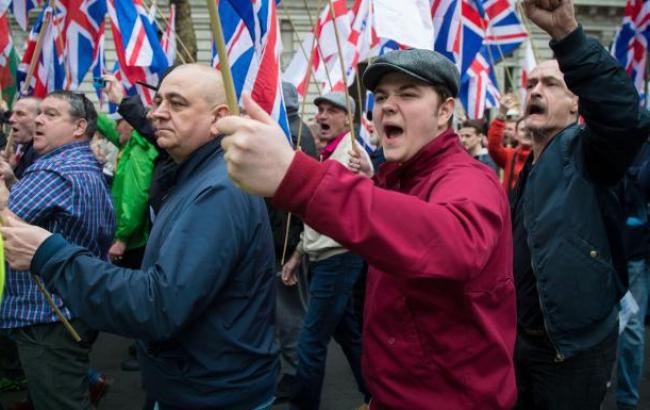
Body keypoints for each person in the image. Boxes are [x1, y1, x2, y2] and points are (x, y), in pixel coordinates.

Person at [217, 42, 516, 409]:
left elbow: (455, 242)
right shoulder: (400, 178)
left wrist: (296, 177)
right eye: (381, 96)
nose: (387, 105)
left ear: (445, 112)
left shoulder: (470, 179)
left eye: (408, 94)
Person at [0, 64, 279, 410]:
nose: (157, 112)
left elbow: (157, 305)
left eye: (176, 103)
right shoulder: (195, 174)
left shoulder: (218, 190)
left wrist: (49, 253)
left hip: (213, 393)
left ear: (217, 118)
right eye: (158, 100)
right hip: (196, 381)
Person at [508, 0, 650, 408]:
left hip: (571, 354)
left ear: (576, 104)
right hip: (520, 345)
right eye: (532, 85)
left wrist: (567, 36)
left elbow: (624, 117)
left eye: (551, 85)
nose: (535, 91)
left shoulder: (591, 155)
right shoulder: (527, 167)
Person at [0, 91, 115, 410]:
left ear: (79, 127)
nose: (38, 119)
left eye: (50, 115)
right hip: (71, 306)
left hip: (48, 314)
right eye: (40, 114)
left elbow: (8, 224)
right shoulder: (79, 164)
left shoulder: (54, 172)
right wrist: (11, 181)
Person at [280, 91, 371, 409]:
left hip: (339, 258)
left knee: (310, 342)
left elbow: (364, 192)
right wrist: (297, 254)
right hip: (324, 256)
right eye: (319, 109)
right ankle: (375, 396)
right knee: (348, 334)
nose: (321, 116)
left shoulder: (352, 155)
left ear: (349, 119)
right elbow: (318, 213)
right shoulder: (329, 154)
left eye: (332, 110)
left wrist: (367, 174)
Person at [271, 82, 317, 400]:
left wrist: (295, 250)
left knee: (289, 315)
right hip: (284, 240)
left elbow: (302, 198)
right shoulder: (295, 132)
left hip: (287, 243)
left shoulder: (293, 136)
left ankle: (299, 376)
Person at [487, 94, 532, 196]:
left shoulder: (543, 155)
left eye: (530, 129)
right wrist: (501, 114)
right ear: (515, 135)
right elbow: (493, 146)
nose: (527, 133)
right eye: (523, 130)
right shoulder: (510, 155)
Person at [6, 97, 40, 179]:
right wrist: (11, 167)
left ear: (39, 118)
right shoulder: (21, 148)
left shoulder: (42, 152)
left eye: (20, 114)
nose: (11, 119)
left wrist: (11, 180)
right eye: (12, 114)